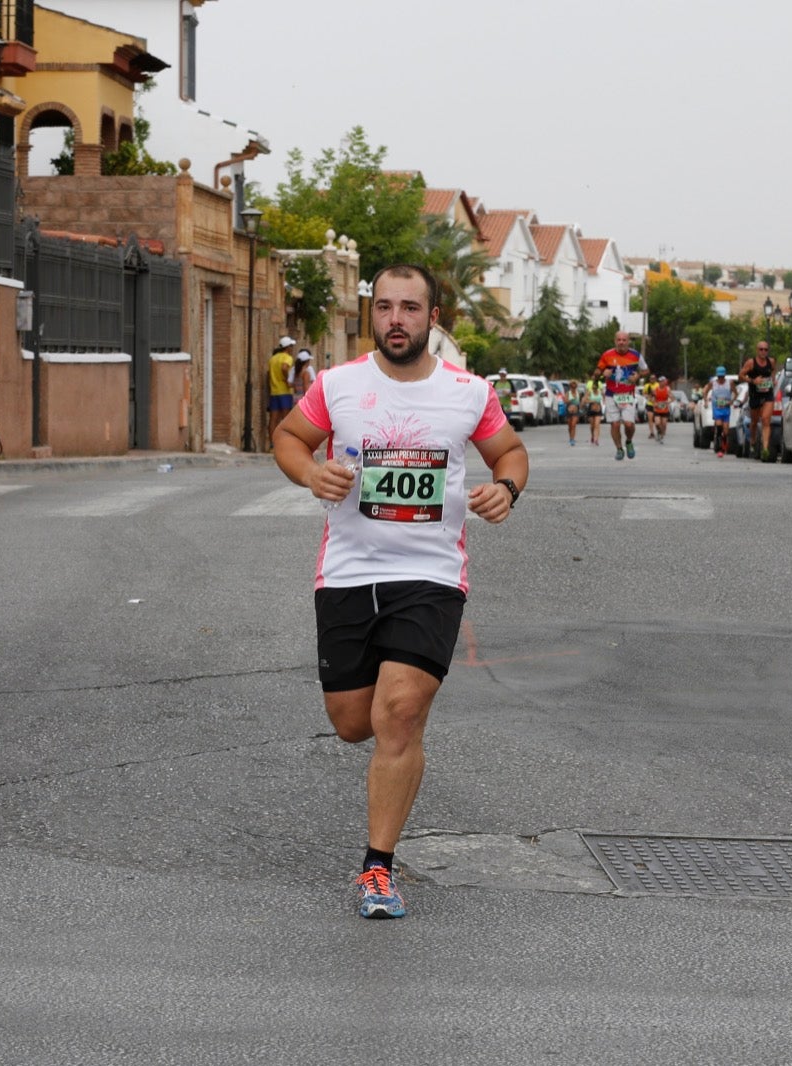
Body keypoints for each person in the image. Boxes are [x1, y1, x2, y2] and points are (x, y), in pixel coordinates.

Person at [272, 263, 529, 920]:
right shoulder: (337, 385)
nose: (395, 319)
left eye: (409, 308)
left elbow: (510, 453)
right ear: (373, 317)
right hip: (350, 571)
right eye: (384, 307)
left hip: (432, 574)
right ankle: (388, 752)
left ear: (432, 318)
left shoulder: (469, 393)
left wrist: (507, 488)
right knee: (354, 723)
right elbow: (289, 438)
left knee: (400, 713)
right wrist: (310, 473)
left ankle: (378, 868)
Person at [596, 331, 648, 460]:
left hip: (627, 394)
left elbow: (646, 370)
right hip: (611, 394)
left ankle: (629, 441)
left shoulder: (635, 355)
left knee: (629, 424)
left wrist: (638, 375)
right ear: (615, 341)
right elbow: (596, 372)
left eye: (624, 340)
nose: (621, 342)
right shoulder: (607, 355)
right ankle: (619, 449)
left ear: (628, 341)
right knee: (615, 424)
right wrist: (603, 373)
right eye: (619, 340)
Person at [739, 341, 777, 459]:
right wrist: (753, 381)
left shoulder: (771, 361)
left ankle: (765, 449)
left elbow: (773, 370)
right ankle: (753, 440)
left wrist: (773, 380)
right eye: (761, 349)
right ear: (757, 350)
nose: (763, 352)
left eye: (766, 349)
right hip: (755, 395)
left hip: (767, 394)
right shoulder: (751, 363)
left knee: (766, 419)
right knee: (754, 422)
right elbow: (740, 375)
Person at [267, 335, 299, 443]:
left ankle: (272, 444)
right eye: (291, 346)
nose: (292, 349)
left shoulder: (273, 358)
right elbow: (284, 368)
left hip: (273, 391)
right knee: (286, 419)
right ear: (287, 347)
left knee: (273, 419)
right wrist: (287, 381)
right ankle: (285, 443)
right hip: (284, 391)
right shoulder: (287, 357)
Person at [708, 367, 733, 457]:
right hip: (717, 408)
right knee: (719, 427)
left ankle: (724, 446)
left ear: (724, 376)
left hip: (726, 409)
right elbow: (705, 391)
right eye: (719, 377)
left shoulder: (730, 383)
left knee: (726, 431)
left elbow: (735, 393)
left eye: (722, 377)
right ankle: (719, 448)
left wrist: (732, 401)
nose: (720, 379)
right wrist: (706, 401)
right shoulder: (713, 383)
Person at [650, 376, 672, 443]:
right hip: (657, 409)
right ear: (659, 382)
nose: (662, 383)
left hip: (665, 409)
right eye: (660, 381)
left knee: (664, 424)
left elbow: (672, 398)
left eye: (663, 381)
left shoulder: (667, 389)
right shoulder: (655, 390)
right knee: (657, 423)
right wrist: (654, 403)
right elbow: (651, 398)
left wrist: (668, 401)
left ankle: (661, 435)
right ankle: (659, 433)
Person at [564, 379, 585, 446]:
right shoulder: (568, 393)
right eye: (572, 386)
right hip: (569, 410)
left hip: (576, 411)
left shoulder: (578, 393)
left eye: (575, 386)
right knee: (570, 425)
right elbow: (565, 401)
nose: (573, 388)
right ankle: (570, 437)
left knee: (573, 424)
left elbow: (581, 402)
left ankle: (572, 439)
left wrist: (581, 407)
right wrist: (570, 400)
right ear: (570, 387)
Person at [585, 377, 604, 445]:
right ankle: (592, 436)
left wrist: (604, 403)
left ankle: (596, 439)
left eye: (596, 386)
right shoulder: (589, 392)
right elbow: (585, 400)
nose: (594, 387)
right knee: (592, 426)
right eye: (593, 386)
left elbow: (604, 398)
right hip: (591, 408)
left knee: (597, 424)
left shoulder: (600, 392)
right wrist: (592, 401)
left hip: (598, 408)